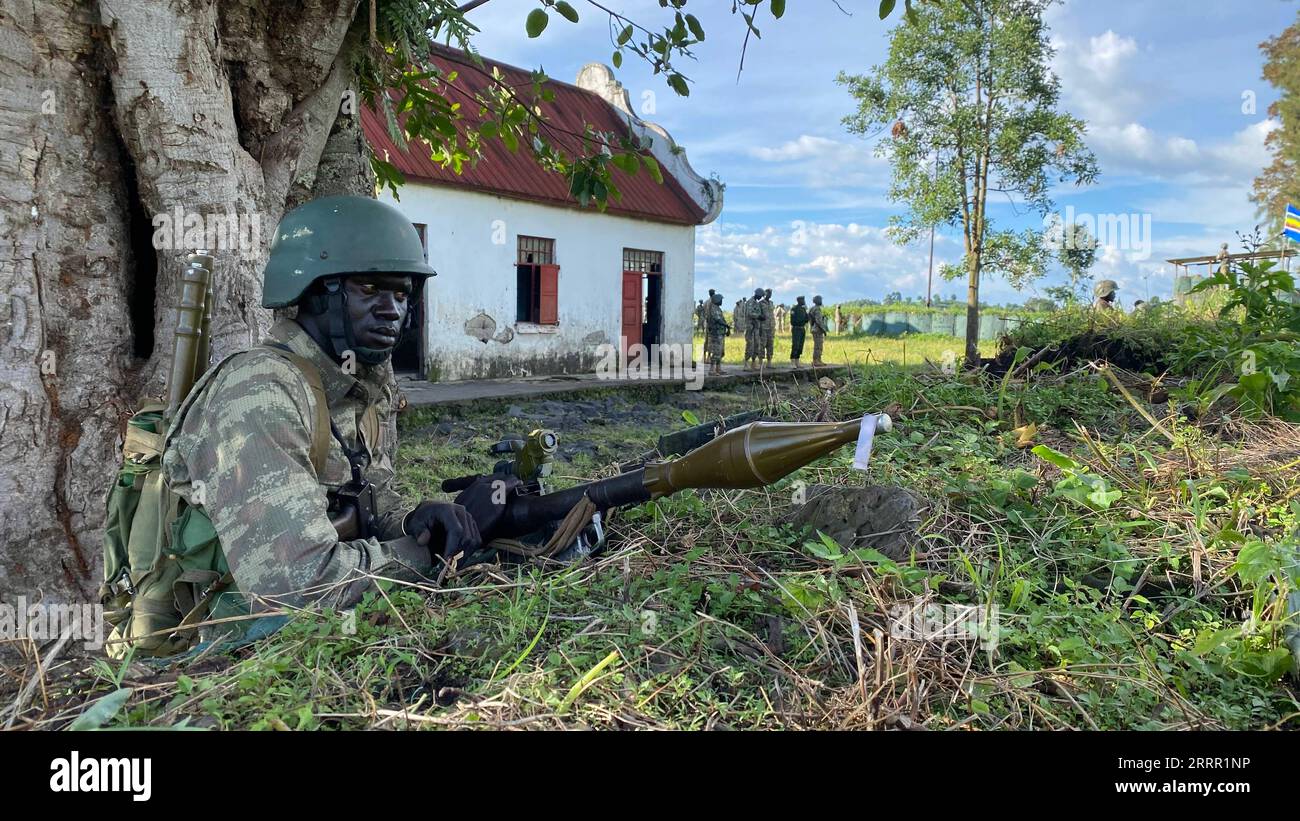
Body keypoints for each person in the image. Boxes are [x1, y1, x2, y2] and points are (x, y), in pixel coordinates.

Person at [161, 195, 502, 636]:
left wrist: (417, 519)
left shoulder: (356, 385)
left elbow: (365, 499)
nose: (391, 310)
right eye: (369, 288)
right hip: (220, 653)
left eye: (401, 293)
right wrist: (427, 554)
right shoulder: (260, 392)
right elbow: (296, 589)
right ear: (317, 291)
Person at [704, 291, 730, 376]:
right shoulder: (713, 309)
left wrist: (726, 328)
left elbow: (722, 320)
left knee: (720, 351)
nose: (722, 301)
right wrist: (727, 325)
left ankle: (718, 368)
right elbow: (718, 320)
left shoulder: (718, 309)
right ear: (717, 300)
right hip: (716, 333)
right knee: (716, 351)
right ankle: (712, 370)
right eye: (720, 300)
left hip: (720, 333)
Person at [744, 287, 765, 370]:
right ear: (757, 294)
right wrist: (758, 316)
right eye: (760, 296)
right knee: (750, 345)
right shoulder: (750, 302)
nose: (761, 298)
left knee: (757, 345)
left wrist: (761, 317)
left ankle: (753, 363)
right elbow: (749, 313)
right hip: (750, 327)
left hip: (756, 327)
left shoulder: (757, 303)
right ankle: (746, 363)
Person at [809, 295, 828, 367]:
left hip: (814, 329)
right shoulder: (817, 309)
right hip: (817, 330)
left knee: (818, 345)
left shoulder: (812, 308)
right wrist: (824, 330)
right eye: (820, 300)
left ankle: (818, 360)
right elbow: (819, 321)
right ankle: (816, 361)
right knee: (818, 346)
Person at [789, 296, 809, 368]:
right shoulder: (794, 309)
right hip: (796, 329)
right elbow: (793, 321)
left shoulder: (803, 309)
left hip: (802, 329)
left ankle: (797, 361)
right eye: (803, 300)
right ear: (799, 301)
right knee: (795, 345)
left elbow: (807, 319)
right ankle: (792, 361)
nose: (804, 301)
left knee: (800, 345)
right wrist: (801, 321)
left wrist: (807, 313)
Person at [762, 288, 776, 367]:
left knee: (770, 345)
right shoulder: (761, 303)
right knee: (762, 344)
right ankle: (760, 362)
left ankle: (769, 362)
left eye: (770, 293)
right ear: (765, 293)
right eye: (768, 293)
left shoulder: (771, 303)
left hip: (771, 327)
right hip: (764, 327)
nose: (769, 295)